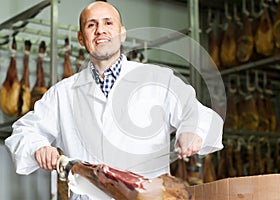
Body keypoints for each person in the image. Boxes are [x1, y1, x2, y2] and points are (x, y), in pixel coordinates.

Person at [5, 1, 224, 199]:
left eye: (108, 23)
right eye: (91, 25)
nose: (100, 30)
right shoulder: (62, 93)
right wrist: (38, 147)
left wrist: (191, 130)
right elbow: (24, 132)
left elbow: (201, 116)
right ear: (81, 38)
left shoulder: (158, 79)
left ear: (121, 33)